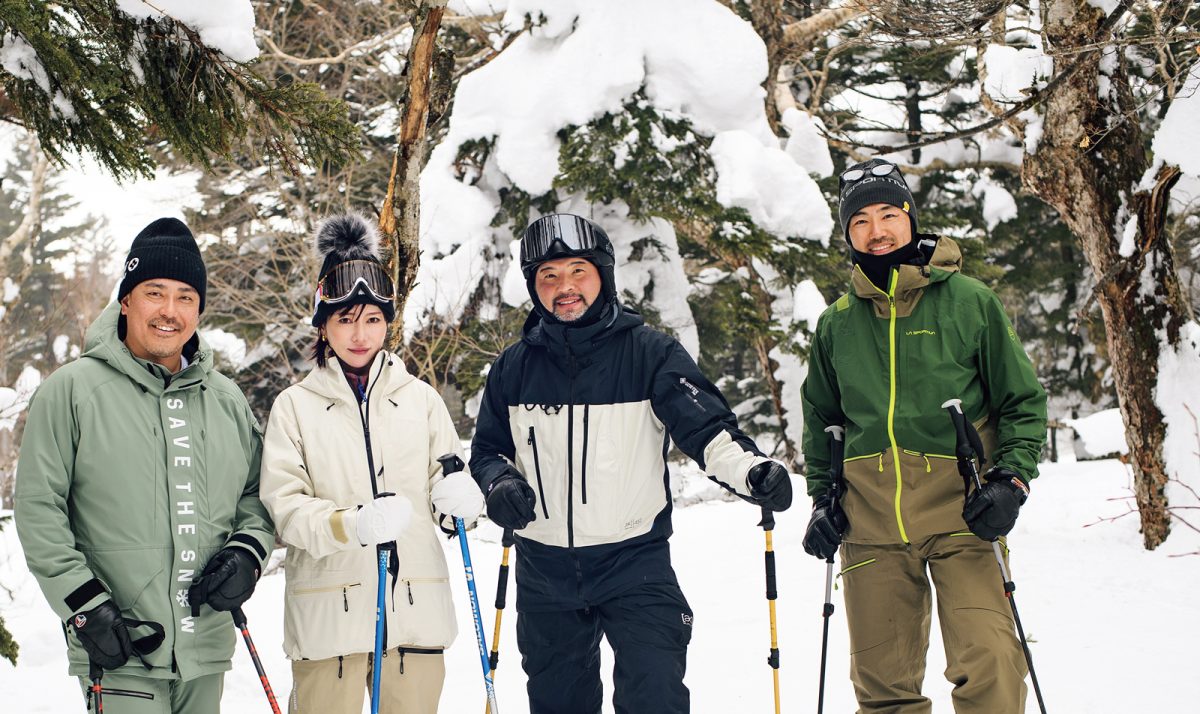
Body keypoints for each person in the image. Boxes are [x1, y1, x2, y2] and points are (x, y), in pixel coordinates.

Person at [469, 212, 794, 714]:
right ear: (535, 287)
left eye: (578, 271)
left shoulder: (651, 354)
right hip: (545, 570)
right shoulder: (515, 366)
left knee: (655, 697)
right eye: (549, 276)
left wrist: (752, 471)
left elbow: (708, 432)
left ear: (603, 273)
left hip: (634, 564)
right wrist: (500, 485)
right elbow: (488, 451)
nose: (565, 287)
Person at [799, 158, 1048, 713]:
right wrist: (823, 501)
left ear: (911, 218)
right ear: (847, 234)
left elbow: (1022, 401)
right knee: (882, 683)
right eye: (860, 220)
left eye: (889, 213)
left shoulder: (968, 302)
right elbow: (822, 420)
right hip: (869, 522)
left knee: (992, 662)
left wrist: (1011, 480)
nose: (877, 230)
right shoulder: (836, 323)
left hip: (964, 511)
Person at [14, 217, 274, 712]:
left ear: (199, 309)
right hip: (121, 647)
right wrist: (84, 606)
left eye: (185, 297)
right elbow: (38, 508)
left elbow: (259, 492)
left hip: (205, 649)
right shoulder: (70, 392)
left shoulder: (226, 400)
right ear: (127, 299)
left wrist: (248, 552)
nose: (169, 312)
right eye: (155, 292)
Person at [259, 213, 483, 714]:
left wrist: (459, 504)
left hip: (414, 614)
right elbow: (285, 509)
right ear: (323, 323)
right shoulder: (294, 407)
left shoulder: (421, 400)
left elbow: (445, 487)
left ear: (387, 321)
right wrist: (350, 524)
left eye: (372, 319)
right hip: (328, 619)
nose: (359, 334)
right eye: (344, 319)